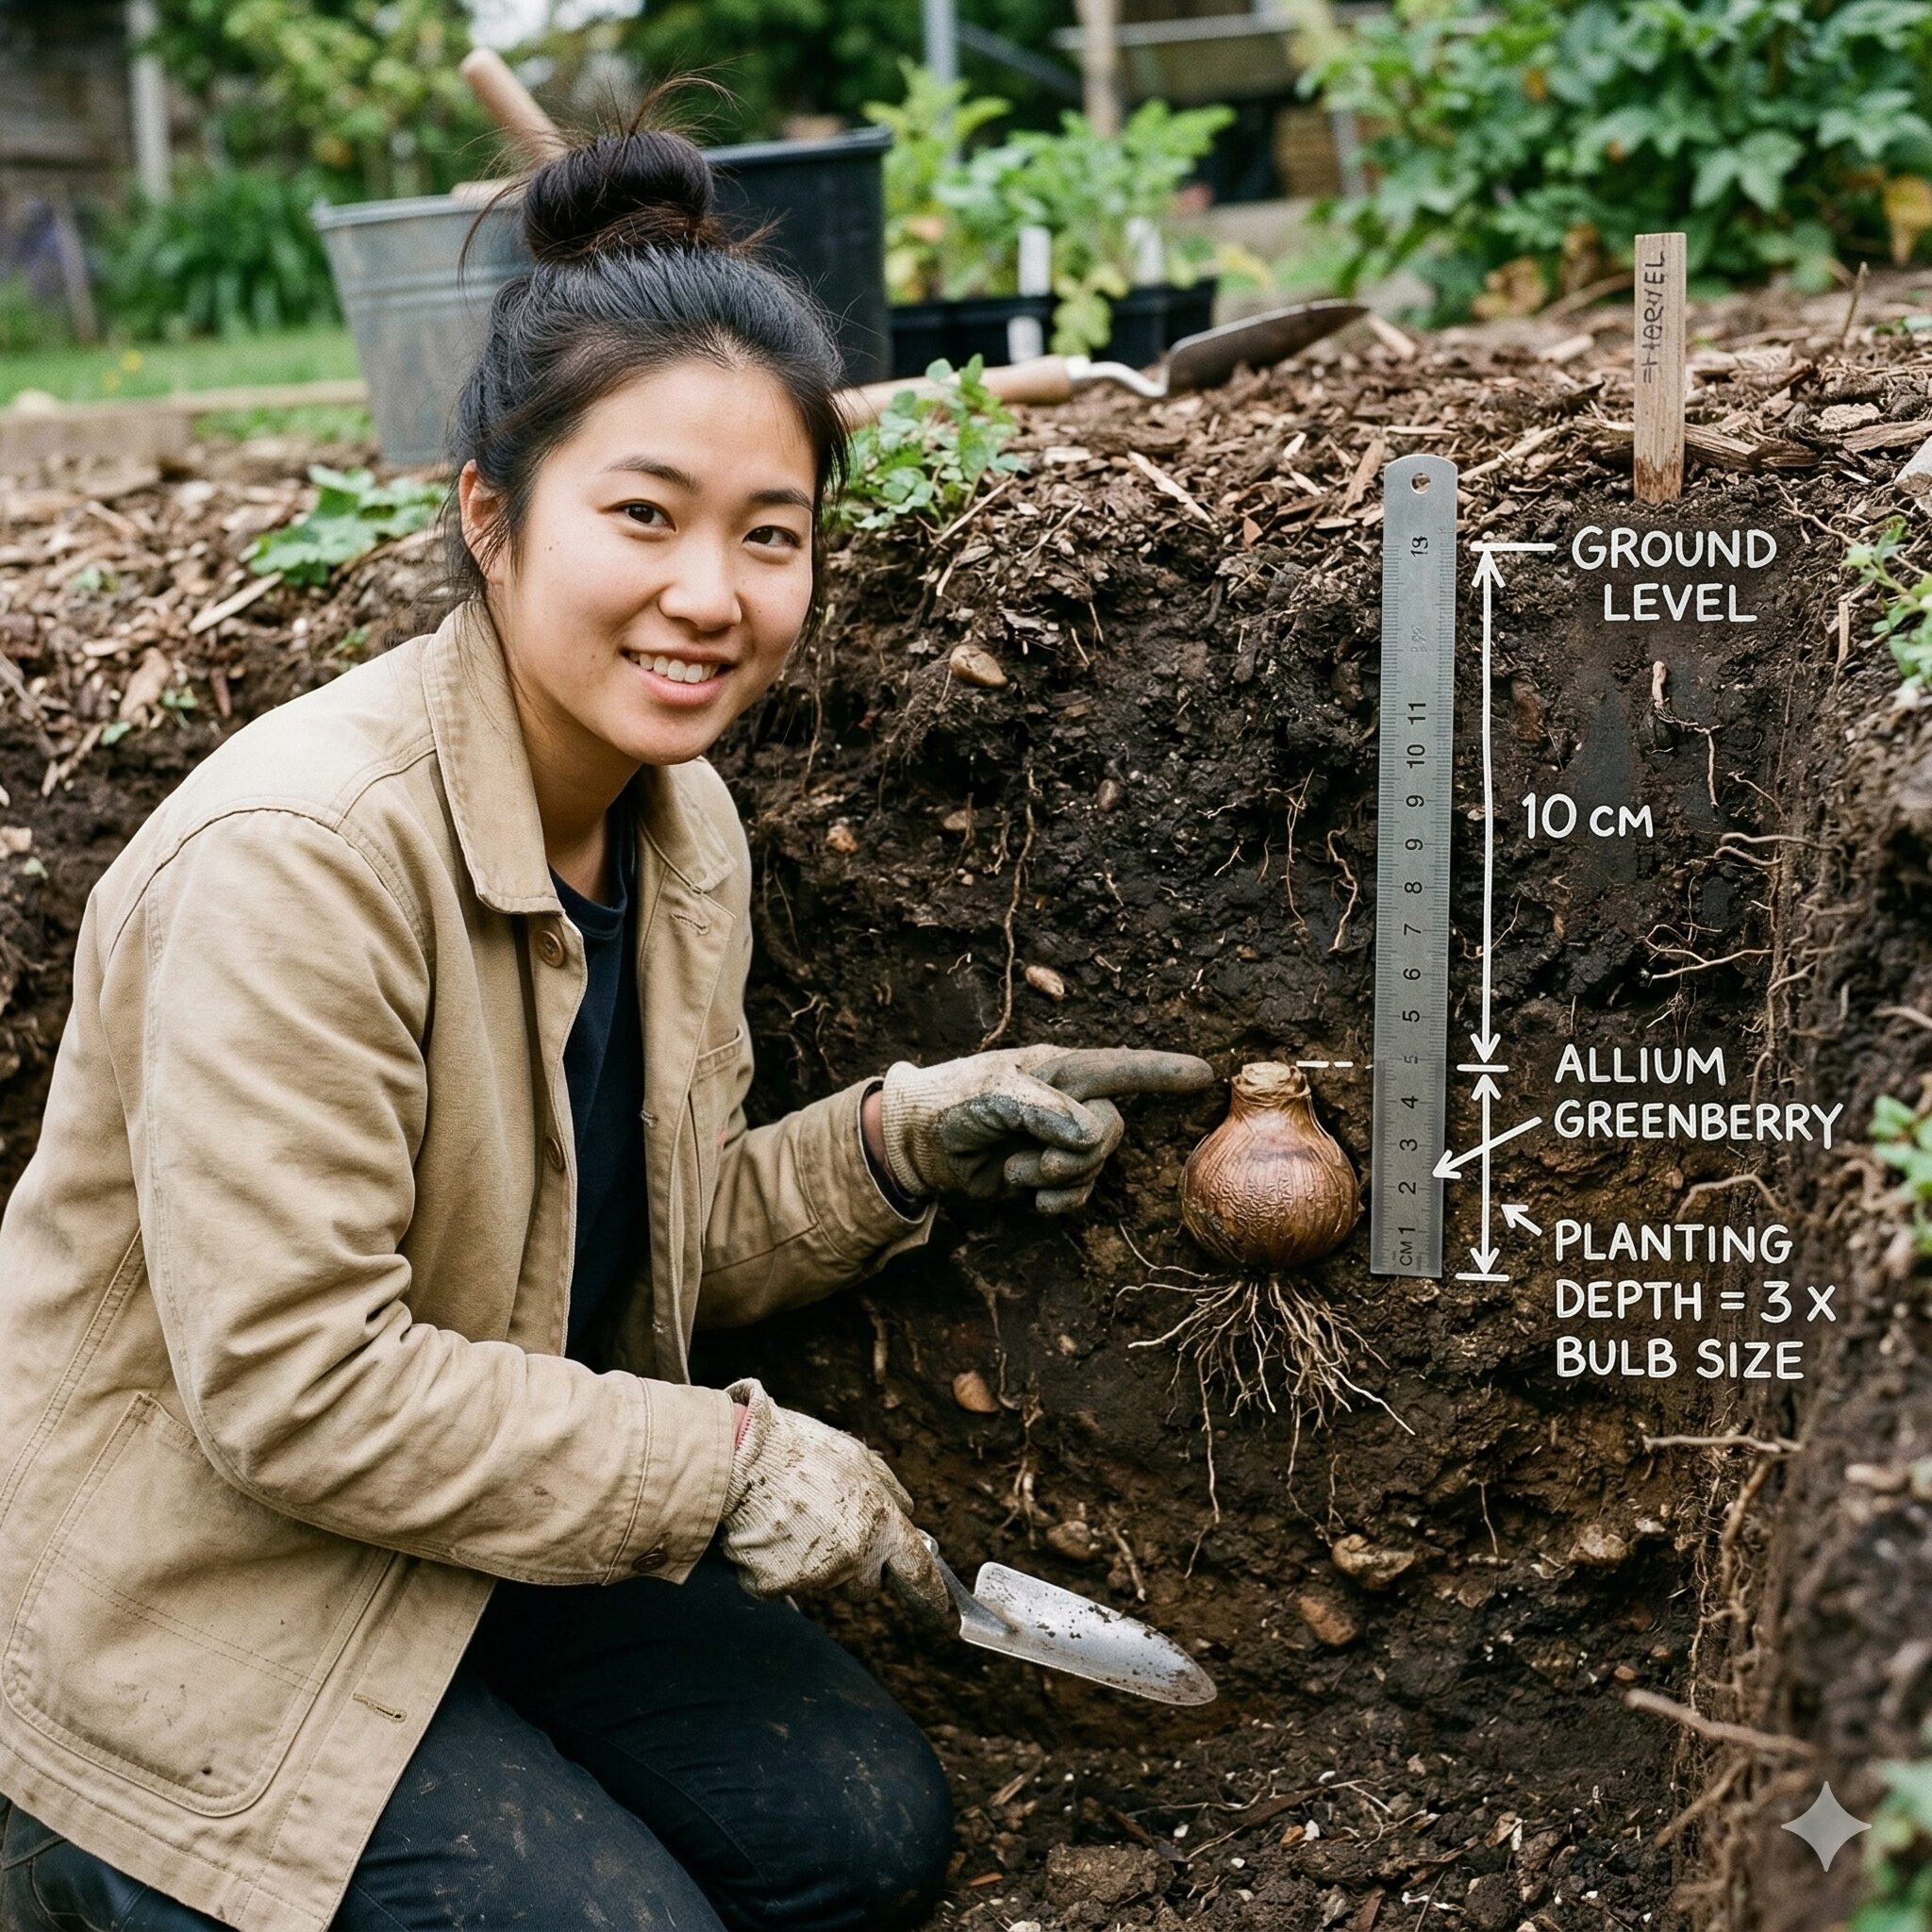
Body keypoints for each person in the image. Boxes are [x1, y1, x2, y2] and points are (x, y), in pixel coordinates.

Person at [0, 115, 1213, 1932]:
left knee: (856, 1836)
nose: (709, 595)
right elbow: (295, 1388)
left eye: (769, 535)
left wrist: (890, 1147)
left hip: (466, 1547)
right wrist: (732, 1466)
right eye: (641, 515)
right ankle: (87, 1858)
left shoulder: (680, 822)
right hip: (214, 1580)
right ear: (493, 512)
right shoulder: (298, 861)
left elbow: (619, 1236)